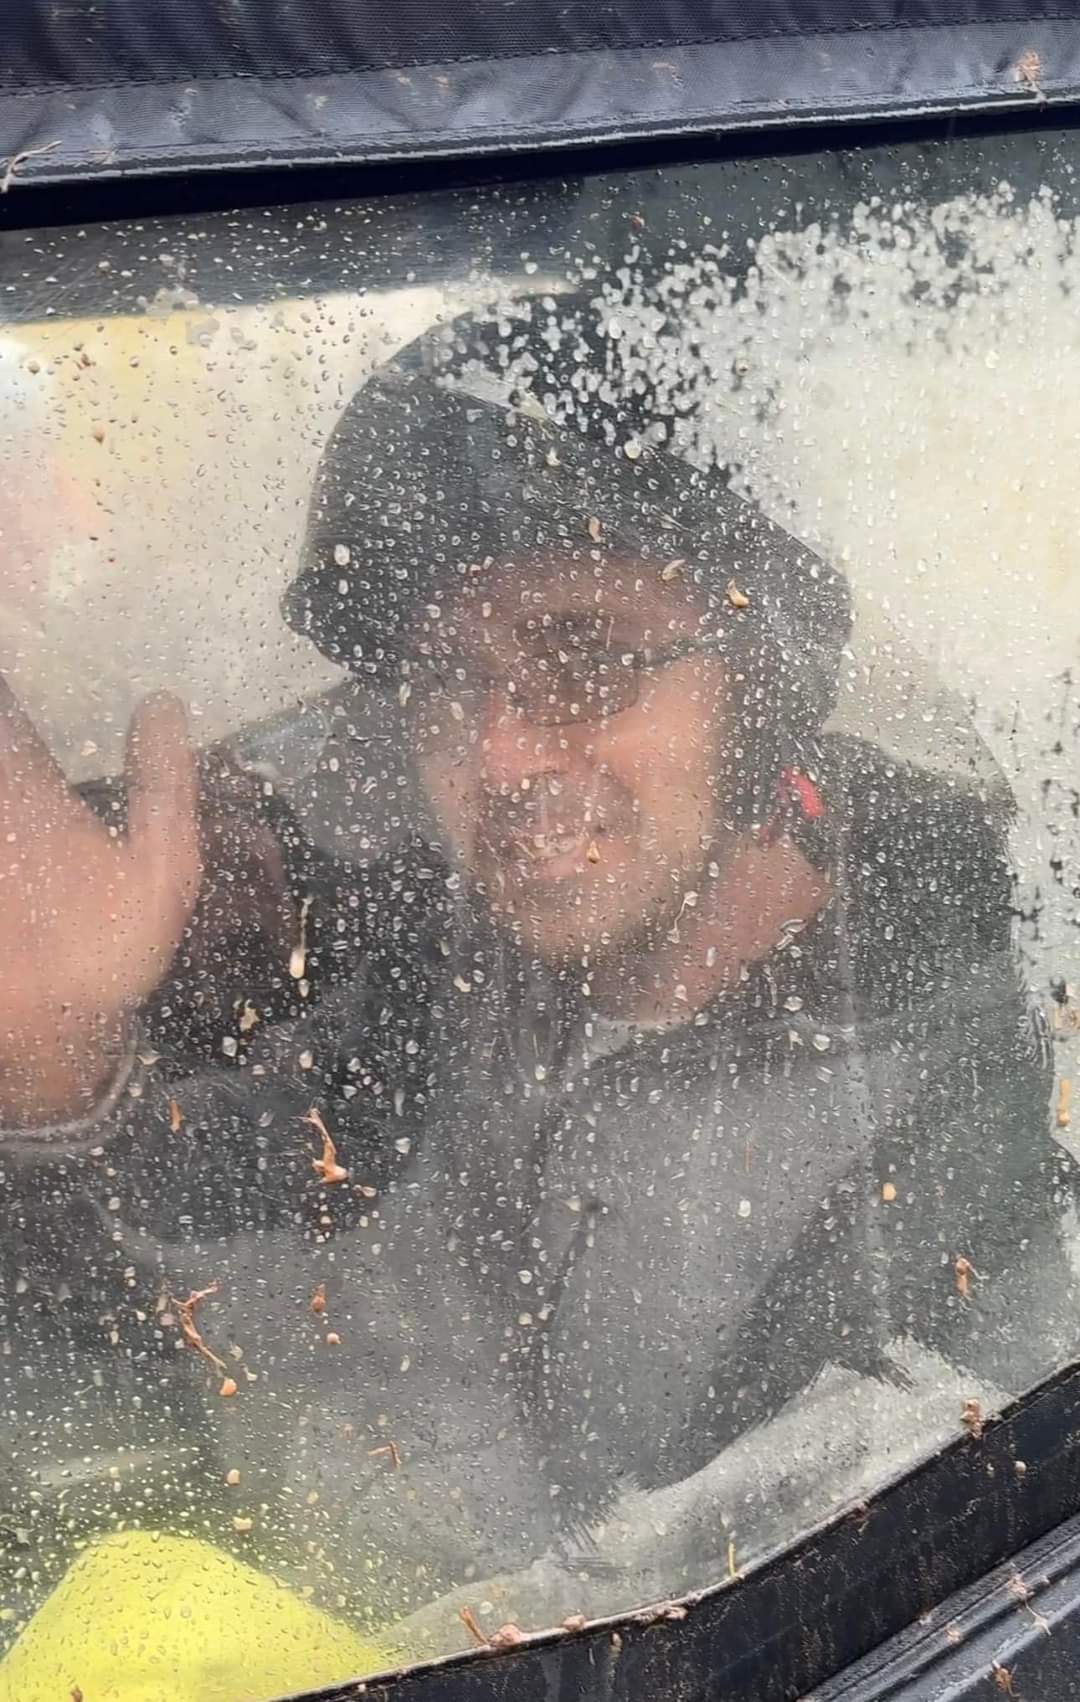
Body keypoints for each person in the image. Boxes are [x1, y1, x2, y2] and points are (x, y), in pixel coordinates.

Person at [0, 310, 1074, 1659]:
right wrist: (66, 1066)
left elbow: (693, 1616)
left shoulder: (980, 1096)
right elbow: (255, 1212)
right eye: (446, 682)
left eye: (587, 657)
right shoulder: (462, 952)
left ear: (767, 672)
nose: (499, 754)